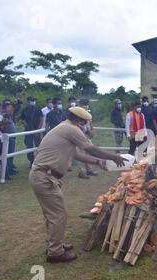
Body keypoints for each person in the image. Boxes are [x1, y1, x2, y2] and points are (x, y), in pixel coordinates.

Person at [29, 107, 127, 263]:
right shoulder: (71, 129)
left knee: (52, 215)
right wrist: (113, 157)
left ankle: (54, 244)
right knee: (58, 215)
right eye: (86, 123)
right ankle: (55, 252)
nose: (86, 126)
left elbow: (76, 154)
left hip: (44, 176)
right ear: (80, 121)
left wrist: (97, 162)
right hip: (44, 177)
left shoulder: (64, 127)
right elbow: (91, 149)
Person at [21, 96, 44, 167]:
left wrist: (38, 129)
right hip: (28, 130)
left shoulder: (38, 109)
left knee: (39, 145)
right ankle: (31, 161)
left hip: (36, 129)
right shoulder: (25, 110)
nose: (33, 101)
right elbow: (22, 119)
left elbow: (41, 119)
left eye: (34, 100)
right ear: (28, 101)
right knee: (29, 145)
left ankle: (39, 160)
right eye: (31, 100)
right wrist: (25, 123)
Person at [78, 99, 98, 179]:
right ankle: (82, 172)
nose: (86, 106)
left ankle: (89, 170)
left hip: (87, 137)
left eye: (86, 104)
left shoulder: (88, 114)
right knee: (81, 154)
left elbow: (90, 124)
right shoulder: (78, 114)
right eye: (84, 104)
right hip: (79, 136)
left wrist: (91, 131)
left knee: (89, 153)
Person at [1, 102, 17, 180]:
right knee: (6, 156)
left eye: (12, 108)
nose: (12, 109)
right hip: (7, 139)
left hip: (12, 138)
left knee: (10, 156)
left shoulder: (10, 116)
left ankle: (9, 171)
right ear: (5, 109)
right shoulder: (4, 116)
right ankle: (6, 173)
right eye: (10, 108)